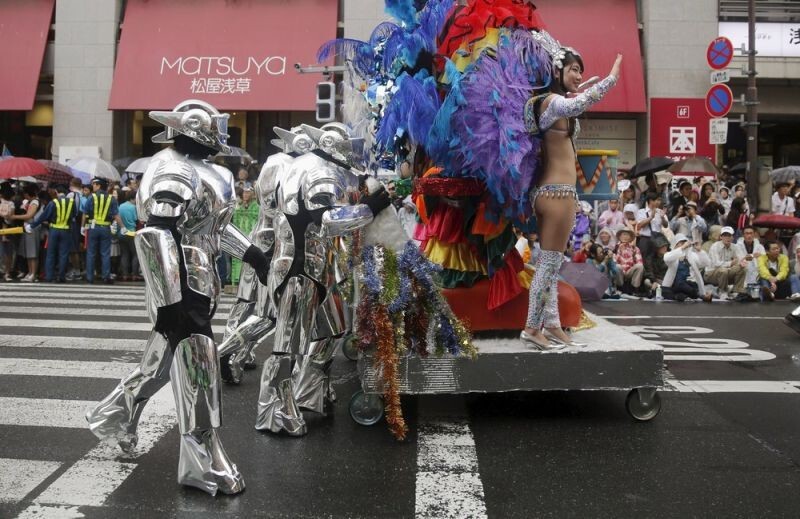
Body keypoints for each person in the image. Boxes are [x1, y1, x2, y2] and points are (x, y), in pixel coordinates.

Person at [86, 99, 273, 495]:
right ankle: (201, 458)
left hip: (195, 279)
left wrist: (252, 254)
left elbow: (211, 228)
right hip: (180, 281)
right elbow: (156, 233)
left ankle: (115, 414)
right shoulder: (174, 167)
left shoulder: (205, 170)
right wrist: (171, 300)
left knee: (160, 363)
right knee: (199, 363)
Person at [519, 39, 622, 350]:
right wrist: (611, 80)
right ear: (557, 69)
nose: (579, 75)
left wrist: (580, 87)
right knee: (548, 266)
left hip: (558, 192)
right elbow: (575, 105)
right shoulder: (549, 103)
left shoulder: (553, 102)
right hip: (554, 192)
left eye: (582, 70)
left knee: (552, 265)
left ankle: (551, 325)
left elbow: (573, 108)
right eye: (574, 69)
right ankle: (531, 328)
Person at [25, 184, 76, 282]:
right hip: (66, 230)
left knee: (51, 254)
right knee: (63, 254)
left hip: (54, 230)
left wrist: (32, 226)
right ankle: (61, 276)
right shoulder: (71, 203)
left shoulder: (54, 202)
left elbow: (43, 216)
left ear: (56, 192)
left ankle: (49, 276)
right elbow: (74, 215)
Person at [82, 177, 124, 284]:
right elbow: (116, 215)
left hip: (93, 228)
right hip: (105, 228)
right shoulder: (111, 199)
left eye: (95, 184)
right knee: (105, 253)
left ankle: (90, 277)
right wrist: (123, 227)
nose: (93, 186)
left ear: (99, 185)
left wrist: (82, 227)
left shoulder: (92, 197)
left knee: (91, 253)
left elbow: (85, 212)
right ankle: (106, 276)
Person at [662, 233, 713, 302]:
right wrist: (682, 248)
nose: (684, 244)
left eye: (685, 242)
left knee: (683, 286)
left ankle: (694, 296)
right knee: (664, 290)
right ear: (675, 245)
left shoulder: (691, 255)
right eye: (681, 242)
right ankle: (695, 296)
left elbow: (706, 263)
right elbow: (666, 258)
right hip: (675, 285)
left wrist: (700, 251)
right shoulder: (672, 255)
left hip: (689, 284)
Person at [8, 183, 43, 282]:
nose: (24, 196)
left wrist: (14, 216)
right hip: (27, 227)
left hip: (32, 227)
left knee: (32, 252)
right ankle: (30, 272)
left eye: (25, 194)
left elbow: (29, 215)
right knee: (28, 252)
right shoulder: (30, 202)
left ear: (29, 194)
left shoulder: (35, 202)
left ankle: (33, 273)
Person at [704, 226, 746, 300]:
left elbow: (741, 259)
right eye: (725, 235)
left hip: (726, 272)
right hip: (710, 274)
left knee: (742, 268)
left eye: (729, 235)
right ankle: (722, 291)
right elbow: (716, 264)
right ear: (721, 237)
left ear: (733, 237)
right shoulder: (715, 246)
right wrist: (731, 263)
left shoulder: (735, 247)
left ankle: (736, 291)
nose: (727, 238)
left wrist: (742, 262)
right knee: (723, 270)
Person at [230, 186, 259, 285]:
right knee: (238, 258)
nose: (245, 195)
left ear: (252, 194)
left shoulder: (256, 206)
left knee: (251, 259)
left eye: (248, 193)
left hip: (251, 236)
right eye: (244, 193)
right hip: (240, 235)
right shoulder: (240, 206)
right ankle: (237, 279)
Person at [636, 192, 668, 262]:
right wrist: (651, 217)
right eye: (657, 200)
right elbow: (639, 225)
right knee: (645, 260)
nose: (659, 202)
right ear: (651, 201)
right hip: (646, 239)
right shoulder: (641, 211)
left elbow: (666, 226)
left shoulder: (660, 211)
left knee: (658, 260)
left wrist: (662, 218)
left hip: (658, 240)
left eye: (660, 200)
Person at [736, 225, 765, 299]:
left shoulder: (760, 247)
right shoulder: (737, 246)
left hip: (757, 272)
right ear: (743, 235)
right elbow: (737, 260)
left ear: (754, 234)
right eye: (747, 233)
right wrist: (747, 257)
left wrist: (760, 256)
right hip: (743, 271)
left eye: (751, 233)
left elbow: (764, 260)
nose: (749, 235)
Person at [117, 189, 140, 281]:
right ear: (132, 198)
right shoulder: (133, 208)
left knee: (124, 254)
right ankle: (135, 274)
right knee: (135, 254)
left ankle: (125, 274)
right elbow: (136, 219)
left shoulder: (121, 206)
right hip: (131, 232)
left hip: (121, 232)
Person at [614, 228, 645, 295]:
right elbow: (614, 262)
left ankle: (634, 289)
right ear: (620, 237)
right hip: (620, 271)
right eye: (623, 234)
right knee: (617, 266)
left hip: (630, 271)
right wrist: (619, 250)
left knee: (640, 266)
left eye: (627, 235)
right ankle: (620, 288)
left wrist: (632, 267)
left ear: (630, 237)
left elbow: (639, 261)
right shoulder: (615, 247)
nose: (625, 237)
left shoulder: (635, 248)